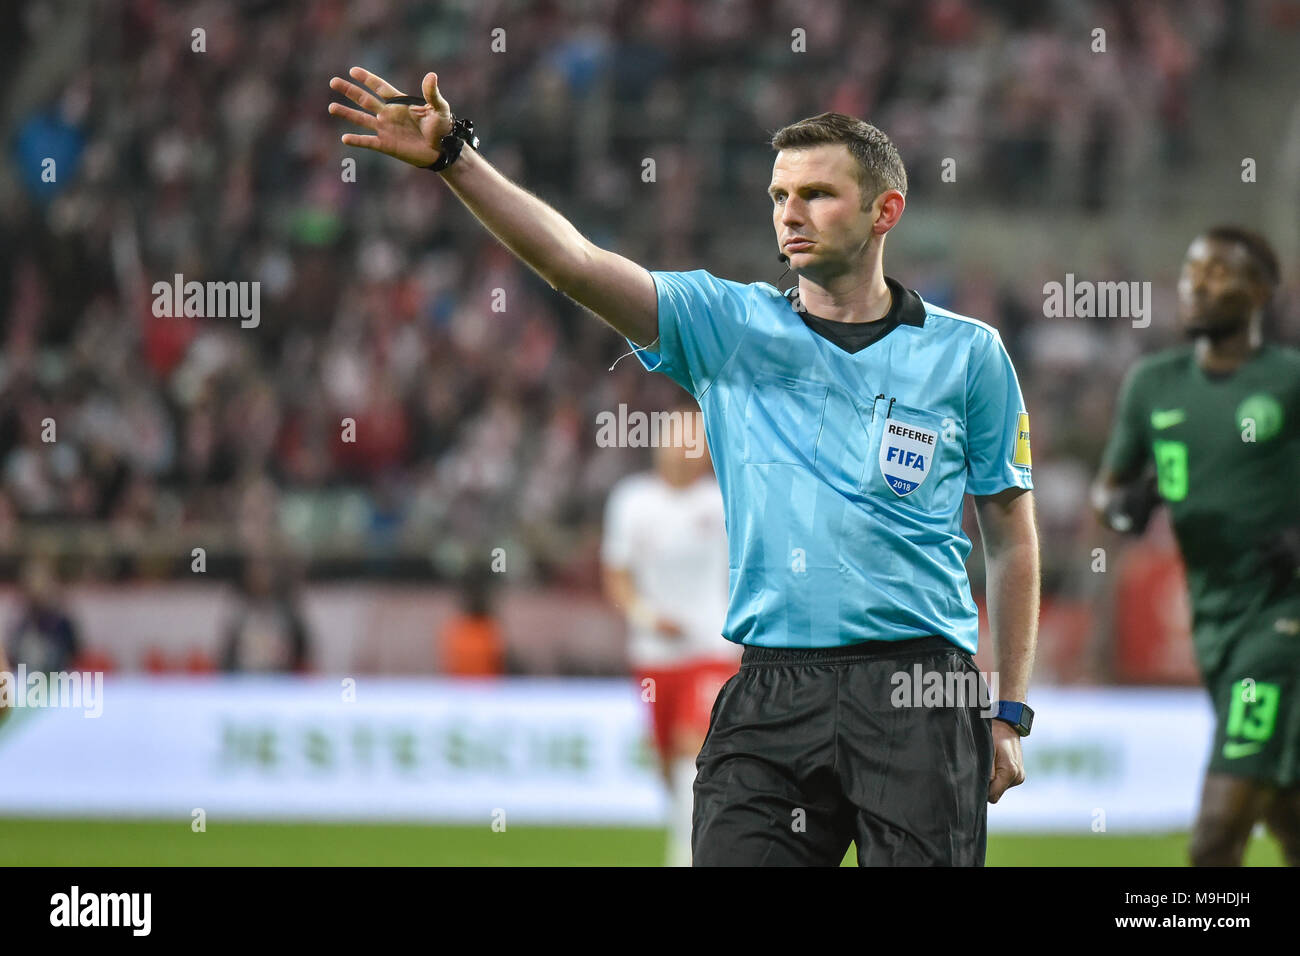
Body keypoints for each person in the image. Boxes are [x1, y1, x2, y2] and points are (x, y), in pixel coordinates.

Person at [329, 69, 1038, 866]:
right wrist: (457, 159)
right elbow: (574, 263)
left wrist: (1009, 710)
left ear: (886, 212)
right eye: (779, 196)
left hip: (920, 688)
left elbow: (1012, 538)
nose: (790, 213)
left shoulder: (969, 355)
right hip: (773, 690)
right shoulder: (727, 324)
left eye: (817, 194)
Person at [1093, 226, 1300, 866]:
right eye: (1191, 271)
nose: (1196, 285)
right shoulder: (1153, 384)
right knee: (1288, 811)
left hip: (1282, 621)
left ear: (1261, 292)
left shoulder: (1288, 381)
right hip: (1214, 620)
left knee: (1216, 835)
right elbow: (1110, 488)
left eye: (1217, 272)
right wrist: (1124, 506)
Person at [601, 405, 738, 866]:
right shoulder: (631, 500)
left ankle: (684, 857)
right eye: (679, 438)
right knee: (666, 766)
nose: (685, 450)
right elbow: (616, 575)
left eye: (695, 441)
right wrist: (645, 615)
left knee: (691, 751)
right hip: (654, 656)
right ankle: (691, 831)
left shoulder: (721, 504)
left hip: (709, 651)